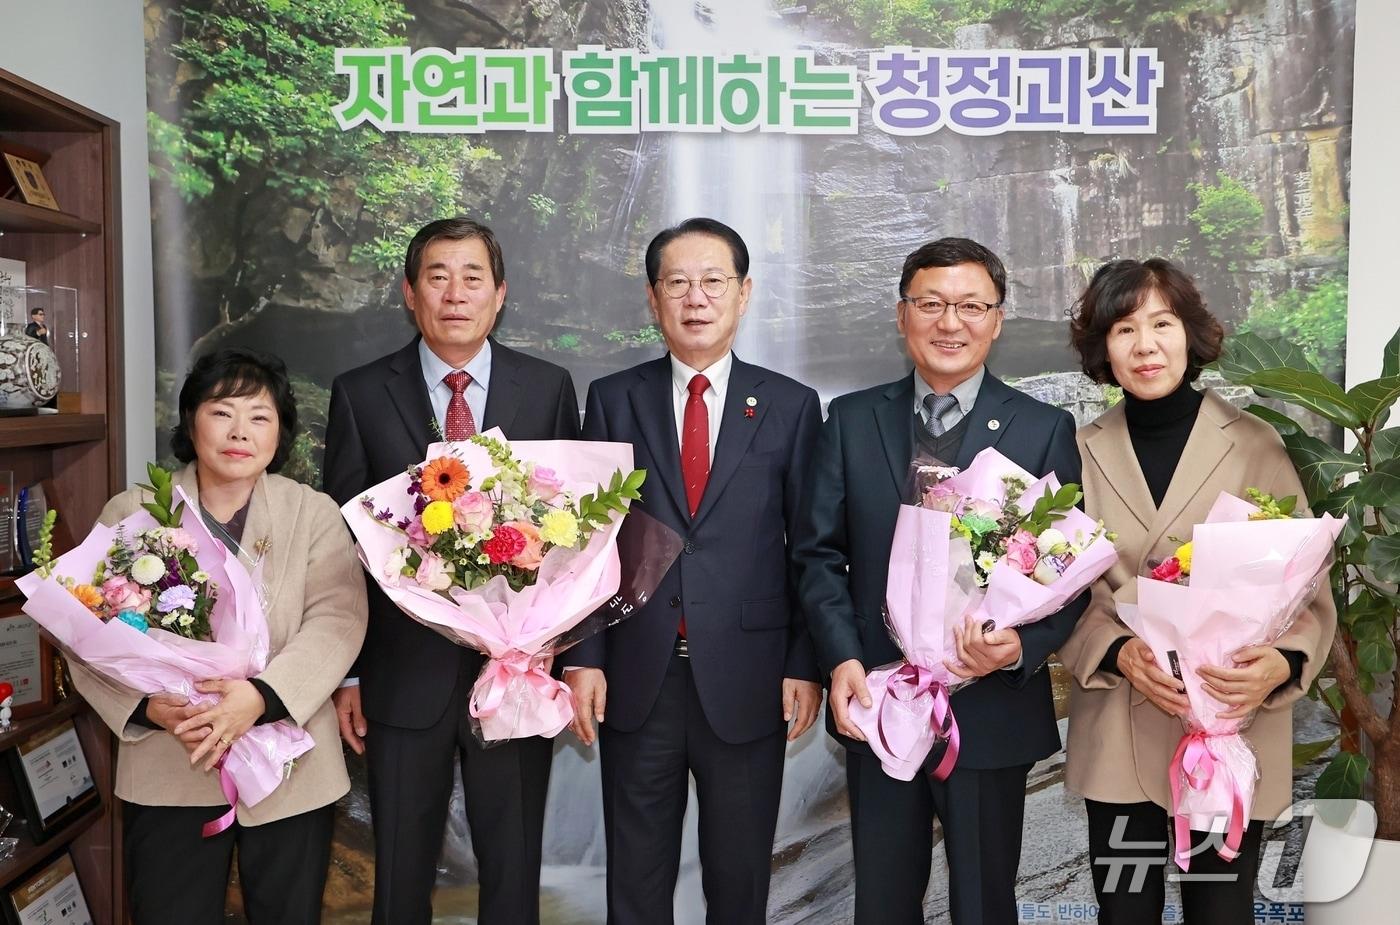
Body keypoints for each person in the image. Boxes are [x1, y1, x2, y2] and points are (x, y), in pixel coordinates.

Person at [795, 237, 1088, 924]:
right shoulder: (851, 420)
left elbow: (1068, 570)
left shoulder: (1043, 427)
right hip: (880, 702)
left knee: (985, 905)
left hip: (989, 711)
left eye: (969, 305)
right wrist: (841, 657)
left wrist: (1018, 647)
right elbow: (816, 554)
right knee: (884, 903)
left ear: (997, 318)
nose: (949, 322)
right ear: (903, 316)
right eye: (930, 304)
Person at [1059, 257, 1336, 923]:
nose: (1145, 344)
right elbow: (1059, 586)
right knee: (1124, 909)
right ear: (1103, 348)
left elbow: (1308, 585)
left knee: (1221, 910)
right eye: (1124, 328)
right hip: (1122, 725)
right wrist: (1118, 649)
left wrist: (1282, 662)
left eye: (1162, 323)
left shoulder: (1254, 443)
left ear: (1192, 334)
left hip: (1228, 730)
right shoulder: (1077, 448)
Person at [564, 217, 823, 925]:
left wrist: (805, 661)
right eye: (677, 282)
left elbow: (811, 546)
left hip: (749, 674)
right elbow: (590, 542)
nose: (696, 298)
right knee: (636, 879)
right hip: (636, 673)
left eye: (713, 281)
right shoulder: (614, 398)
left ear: (744, 294)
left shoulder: (792, 406)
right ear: (654, 300)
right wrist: (583, 658)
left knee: (738, 880)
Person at [322, 217, 580, 925]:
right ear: (410, 292)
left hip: (517, 673)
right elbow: (342, 545)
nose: (455, 293)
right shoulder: (361, 392)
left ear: (500, 294)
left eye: (473, 277)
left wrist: (568, 655)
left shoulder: (549, 386)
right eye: (437, 276)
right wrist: (347, 673)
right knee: (400, 881)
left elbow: (577, 537)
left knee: (512, 875)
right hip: (404, 676)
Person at [70, 347, 368, 924]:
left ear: (280, 433)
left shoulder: (314, 512)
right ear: (190, 421)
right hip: (173, 758)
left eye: (259, 416)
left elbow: (339, 618)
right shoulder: (134, 512)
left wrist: (260, 698)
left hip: (290, 764)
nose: (240, 432)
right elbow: (82, 630)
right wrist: (148, 707)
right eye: (221, 411)